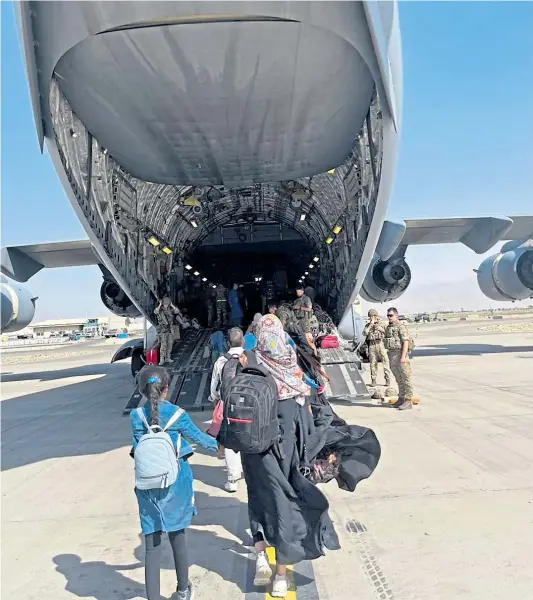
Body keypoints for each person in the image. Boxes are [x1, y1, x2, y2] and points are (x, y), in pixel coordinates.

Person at [242, 314, 339, 597]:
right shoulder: (295, 376)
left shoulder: (250, 365)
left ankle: (261, 557)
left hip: (255, 451)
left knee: (258, 499)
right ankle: (281, 576)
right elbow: (308, 426)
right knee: (286, 506)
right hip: (287, 452)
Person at [130, 366, 218, 600]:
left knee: (152, 544)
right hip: (176, 482)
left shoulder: (135, 416)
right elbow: (203, 441)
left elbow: (138, 448)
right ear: (167, 388)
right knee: (177, 536)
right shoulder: (178, 415)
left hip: (146, 484)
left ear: (143, 390)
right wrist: (224, 447)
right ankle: (182, 590)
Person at [209, 327, 245, 492]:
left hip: (229, 405)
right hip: (251, 405)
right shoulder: (251, 358)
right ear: (243, 341)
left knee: (230, 442)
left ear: (227, 343)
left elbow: (214, 389)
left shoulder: (221, 361)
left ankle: (232, 481)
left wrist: (216, 401)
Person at [384, 307, 414, 410]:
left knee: (406, 378)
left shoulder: (401, 326)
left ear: (396, 315)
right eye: (388, 315)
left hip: (400, 354)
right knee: (398, 378)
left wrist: (403, 357)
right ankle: (401, 398)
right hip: (392, 354)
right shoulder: (389, 327)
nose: (389, 317)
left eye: (391, 315)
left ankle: (408, 400)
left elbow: (405, 341)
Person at [363, 309, 392, 388]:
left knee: (385, 362)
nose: (372, 318)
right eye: (370, 316)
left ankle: (387, 379)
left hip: (381, 344)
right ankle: (373, 380)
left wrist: (380, 328)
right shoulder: (368, 325)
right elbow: (364, 333)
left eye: (373, 316)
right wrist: (370, 325)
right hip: (372, 345)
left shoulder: (382, 324)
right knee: (373, 363)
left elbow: (388, 333)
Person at [154, 296, 180, 365]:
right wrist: (159, 305)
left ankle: (168, 358)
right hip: (163, 331)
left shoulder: (170, 310)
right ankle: (162, 359)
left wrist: (172, 305)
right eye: (165, 304)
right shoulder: (160, 310)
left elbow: (177, 311)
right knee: (163, 346)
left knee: (170, 345)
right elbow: (155, 312)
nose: (166, 305)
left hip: (170, 330)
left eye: (167, 304)